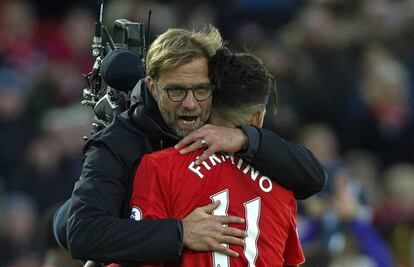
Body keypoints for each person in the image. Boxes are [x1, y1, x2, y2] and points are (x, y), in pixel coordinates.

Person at [54, 25, 327, 264]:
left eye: (200, 89)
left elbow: (313, 178)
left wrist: (246, 139)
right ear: (151, 86)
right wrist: (182, 232)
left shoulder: (230, 130)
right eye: (176, 90)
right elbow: (82, 234)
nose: (190, 102)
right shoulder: (120, 141)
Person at [120, 49, 306, 267]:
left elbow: (143, 259)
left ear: (208, 103)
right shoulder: (282, 181)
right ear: (258, 118)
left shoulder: (160, 167)